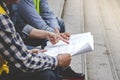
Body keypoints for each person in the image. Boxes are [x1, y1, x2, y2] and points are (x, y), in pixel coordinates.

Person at [0, 0, 72, 80]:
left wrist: (50, 33)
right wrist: (57, 61)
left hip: (7, 56)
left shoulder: (6, 7)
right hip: (4, 68)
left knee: (44, 56)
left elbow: (18, 26)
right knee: (47, 72)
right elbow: (25, 62)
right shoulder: (2, 18)